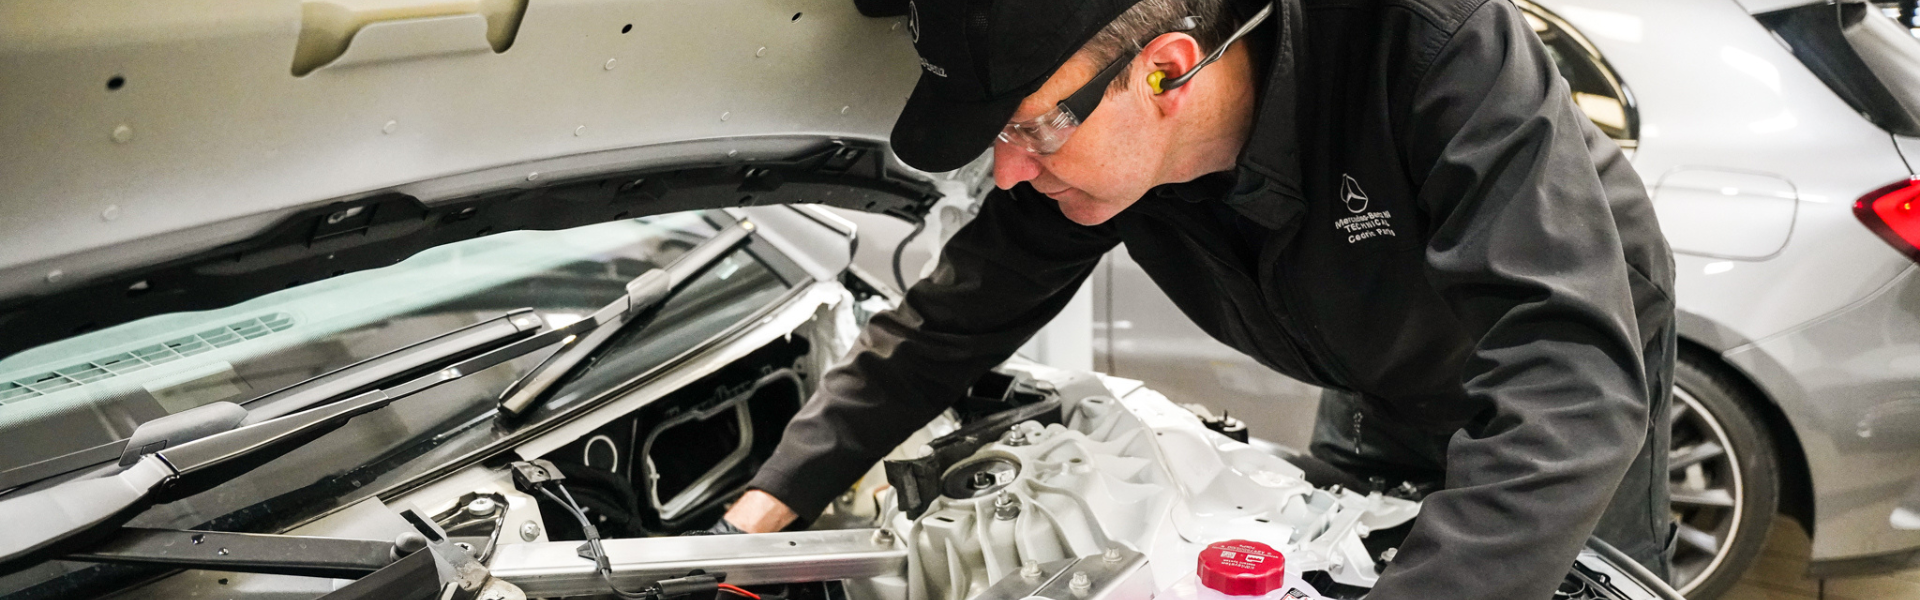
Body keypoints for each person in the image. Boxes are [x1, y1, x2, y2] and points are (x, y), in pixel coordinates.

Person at [717, 0, 1677, 597]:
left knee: (1564, 578)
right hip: (1372, 377)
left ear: (1168, 70)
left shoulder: (1428, 41)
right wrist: (766, 505)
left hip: (1570, 358)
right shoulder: (1100, 151)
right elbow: (954, 318)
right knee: (1349, 551)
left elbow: (1571, 391)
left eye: (1030, 131)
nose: (1008, 172)